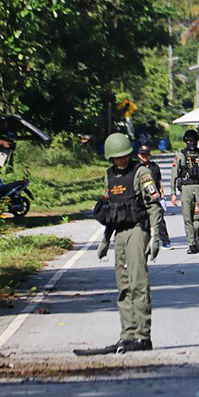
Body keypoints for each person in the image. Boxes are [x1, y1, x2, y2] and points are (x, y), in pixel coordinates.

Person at [80, 133, 162, 355]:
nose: (122, 160)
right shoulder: (109, 177)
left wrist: (155, 236)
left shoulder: (141, 173)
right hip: (120, 234)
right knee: (123, 286)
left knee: (138, 283)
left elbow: (154, 205)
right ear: (110, 159)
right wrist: (106, 238)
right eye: (117, 158)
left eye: (125, 156)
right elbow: (111, 210)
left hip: (137, 230)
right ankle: (128, 334)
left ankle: (143, 336)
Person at [171, 129, 199, 254]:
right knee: (187, 217)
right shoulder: (180, 156)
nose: (191, 143)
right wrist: (173, 193)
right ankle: (191, 244)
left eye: (193, 141)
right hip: (186, 188)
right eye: (189, 141)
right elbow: (174, 175)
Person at [137, 145, 171, 249]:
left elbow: (159, 180)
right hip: (142, 197)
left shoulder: (154, 166)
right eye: (143, 154)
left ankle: (165, 241)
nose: (145, 156)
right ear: (139, 155)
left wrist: (162, 193)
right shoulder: (136, 167)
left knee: (159, 219)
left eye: (146, 154)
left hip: (155, 196)